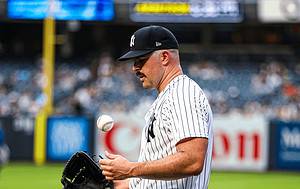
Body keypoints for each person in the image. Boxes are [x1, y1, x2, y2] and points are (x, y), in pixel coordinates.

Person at [99, 25, 213, 189]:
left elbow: (192, 160)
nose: (135, 68)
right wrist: (121, 185)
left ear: (165, 57)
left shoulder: (183, 94)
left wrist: (130, 169)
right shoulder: (167, 96)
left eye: (141, 60)